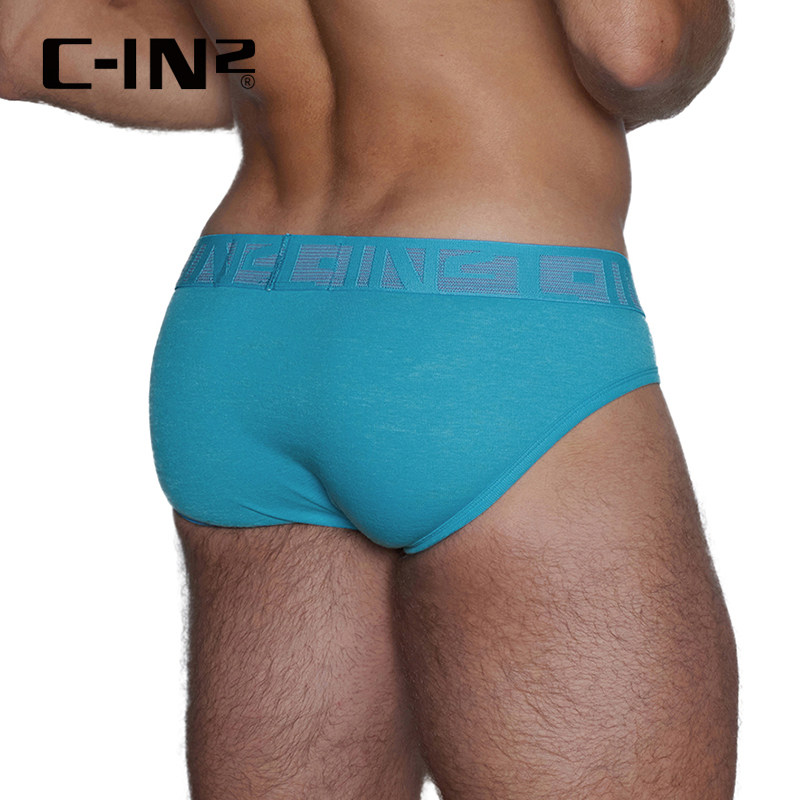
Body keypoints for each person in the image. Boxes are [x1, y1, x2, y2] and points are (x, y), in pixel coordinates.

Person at [0, 1, 738, 798]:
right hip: (478, 318)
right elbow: (637, 48)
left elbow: (27, 37)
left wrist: (286, 69)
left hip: (242, 319)